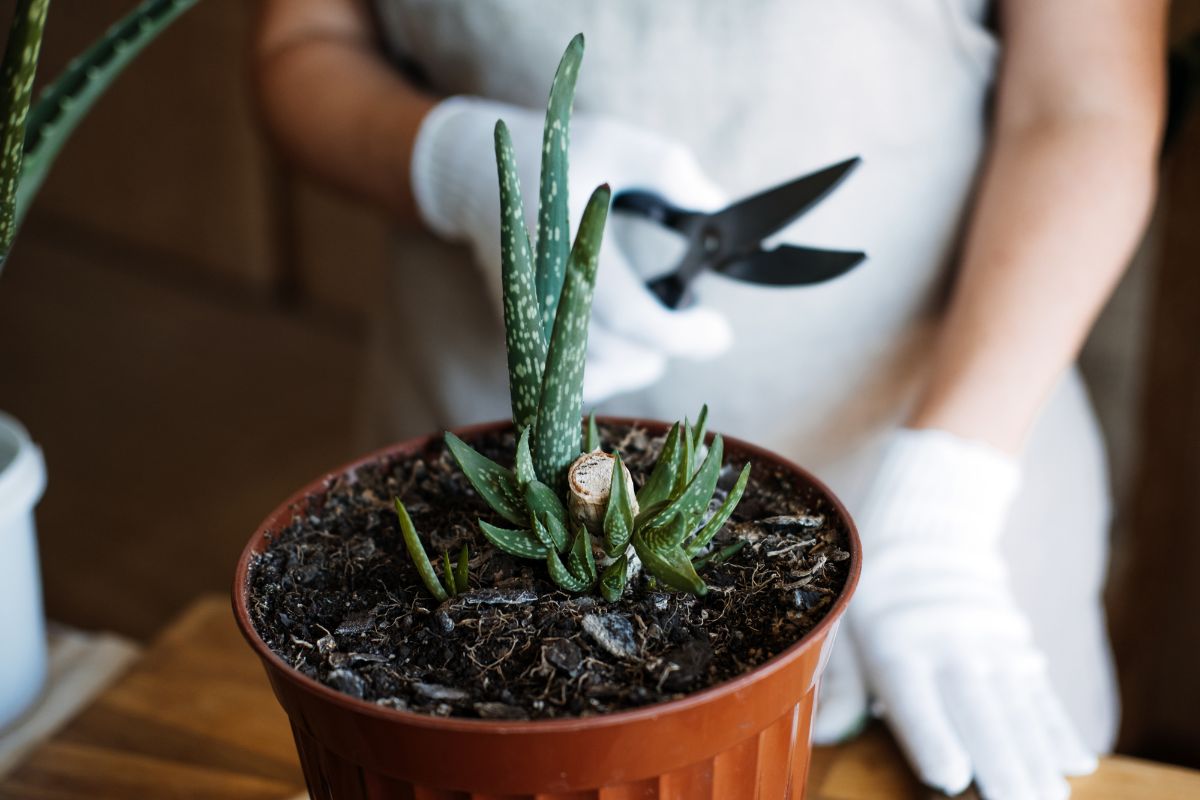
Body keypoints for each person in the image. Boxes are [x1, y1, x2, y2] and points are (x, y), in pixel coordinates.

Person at [254, 2, 1165, 797]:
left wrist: (943, 506)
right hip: (479, 474)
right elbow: (304, 41)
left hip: (946, 477)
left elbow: (1085, 104)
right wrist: (452, 160)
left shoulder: (944, 521)